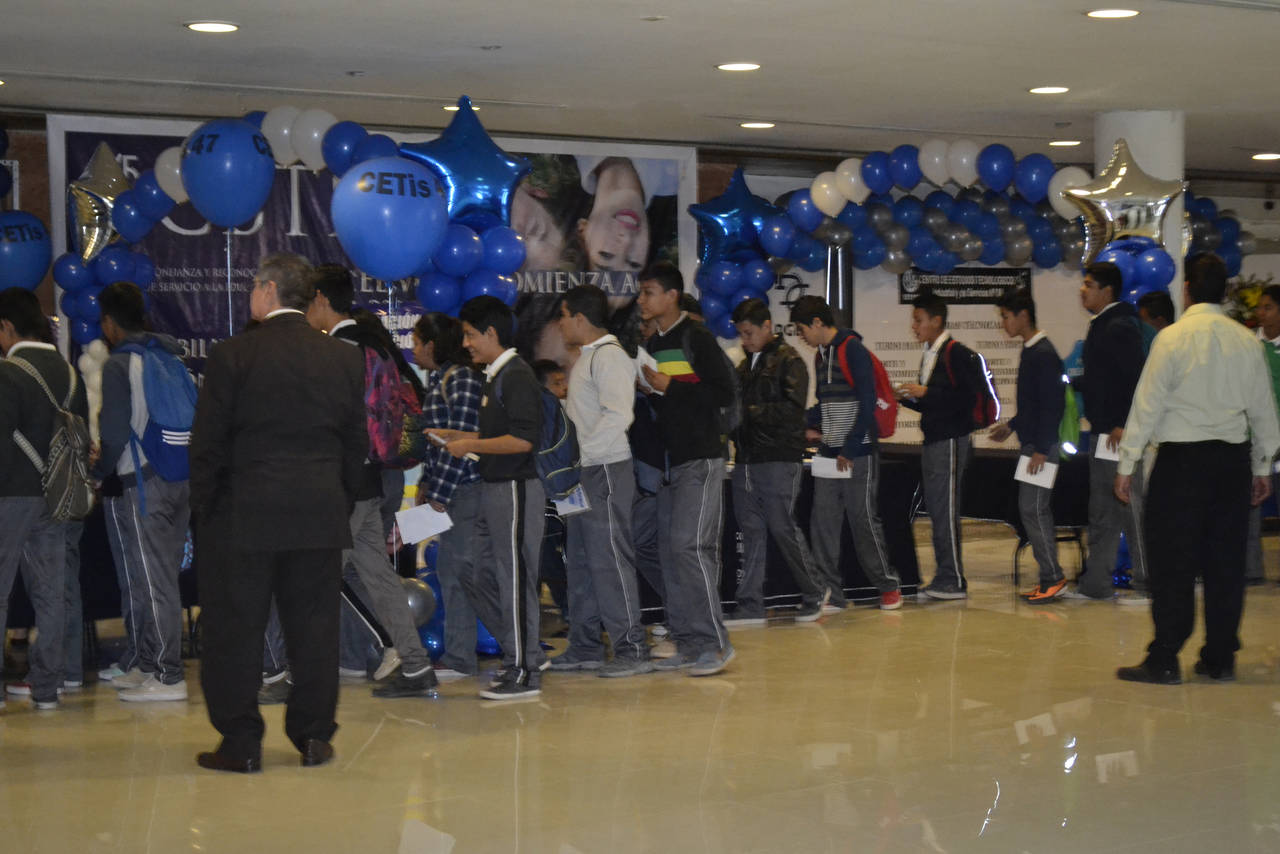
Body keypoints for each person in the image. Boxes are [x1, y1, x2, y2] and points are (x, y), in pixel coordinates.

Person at [190, 253, 367, 772]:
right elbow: (355, 443)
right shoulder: (341, 357)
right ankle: (313, 738)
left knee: (234, 632)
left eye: (253, 288)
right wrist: (339, 499)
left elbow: (208, 446)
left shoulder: (232, 355)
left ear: (267, 291)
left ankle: (241, 742)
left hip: (244, 515)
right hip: (318, 512)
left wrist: (207, 511)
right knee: (314, 630)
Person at [1114, 253, 1280, 684]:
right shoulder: (1247, 341)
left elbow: (1145, 404)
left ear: (1186, 288)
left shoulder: (1171, 339)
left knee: (1173, 563)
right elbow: (1264, 410)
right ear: (1224, 291)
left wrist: (1127, 462)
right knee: (1226, 563)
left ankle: (1166, 656)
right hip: (1231, 463)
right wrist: (1262, 467)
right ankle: (1220, 656)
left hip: (1180, 464)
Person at [304, 265, 438, 698]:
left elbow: (329, 425)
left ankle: (293, 674)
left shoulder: (335, 351)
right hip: (371, 480)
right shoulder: (374, 346)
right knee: (378, 578)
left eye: (308, 301)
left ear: (322, 299)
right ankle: (416, 666)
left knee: (312, 581)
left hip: (342, 487)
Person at [440, 296, 546, 700]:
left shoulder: (516, 375)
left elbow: (522, 440)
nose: (465, 343)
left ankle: (524, 671)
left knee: (515, 581)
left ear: (491, 333)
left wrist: (472, 443)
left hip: (516, 489)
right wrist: (463, 440)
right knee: (484, 571)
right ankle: (520, 655)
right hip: (495, 489)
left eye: (470, 335)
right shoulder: (495, 376)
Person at [91, 281, 192, 702]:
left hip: (143, 482)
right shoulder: (170, 357)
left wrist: (98, 470)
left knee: (153, 580)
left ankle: (169, 676)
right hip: (181, 475)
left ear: (110, 324)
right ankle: (149, 663)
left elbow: (113, 434)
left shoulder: (119, 365)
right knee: (160, 576)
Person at [636, 263, 736, 676]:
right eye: (641, 294)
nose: (642, 300)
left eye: (649, 292)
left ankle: (715, 644)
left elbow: (723, 391)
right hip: (669, 463)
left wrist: (668, 387)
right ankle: (688, 642)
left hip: (702, 456)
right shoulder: (653, 344)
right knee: (667, 551)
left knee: (689, 549)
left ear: (671, 296)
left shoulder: (696, 336)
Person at [550, 284, 651, 676]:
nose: (559, 324)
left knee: (609, 560)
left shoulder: (609, 357)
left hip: (604, 470)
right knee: (579, 561)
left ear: (579, 318)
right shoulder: (587, 358)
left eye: (562, 315)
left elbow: (618, 415)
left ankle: (632, 649)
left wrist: (583, 458)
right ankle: (586, 646)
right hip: (580, 475)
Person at [791, 295, 903, 613]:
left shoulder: (852, 349)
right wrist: (801, 422)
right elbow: (825, 406)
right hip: (829, 452)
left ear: (817, 323)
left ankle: (889, 586)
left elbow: (868, 402)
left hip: (858, 452)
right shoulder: (820, 357)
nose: (801, 336)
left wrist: (852, 448)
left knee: (862, 519)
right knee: (822, 521)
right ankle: (832, 593)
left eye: (801, 329)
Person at [0, 288, 82, 712]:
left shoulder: (7, 373)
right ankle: (47, 687)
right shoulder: (68, 372)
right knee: (52, 590)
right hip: (58, 493)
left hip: (10, 493)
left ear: (7, 327)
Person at [727, 298, 830, 623]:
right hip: (745, 458)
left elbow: (792, 411)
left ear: (766, 327)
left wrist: (750, 412)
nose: (745, 340)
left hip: (779, 457)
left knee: (782, 525)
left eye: (749, 333)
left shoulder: (789, 360)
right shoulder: (744, 366)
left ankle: (815, 590)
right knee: (751, 529)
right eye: (741, 334)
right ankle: (750, 603)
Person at [412, 313, 494, 681]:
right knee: (452, 570)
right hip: (451, 487)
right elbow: (436, 443)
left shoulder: (459, 377)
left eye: (416, 342)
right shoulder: (441, 378)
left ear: (431, 344)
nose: (413, 350)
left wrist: (439, 492)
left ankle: (469, 655)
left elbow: (460, 440)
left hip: (467, 488)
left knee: (462, 572)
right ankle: (460, 654)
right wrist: (427, 484)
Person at [1073, 262, 1149, 603]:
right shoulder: (1102, 325)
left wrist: (1122, 422)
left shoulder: (1121, 326)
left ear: (1107, 290)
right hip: (1102, 432)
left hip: (1120, 434)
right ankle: (1096, 583)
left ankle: (1149, 582)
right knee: (1102, 510)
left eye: (1089, 284)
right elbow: (1102, 379)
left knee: (1132, 509)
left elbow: (1134, 380)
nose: (1083, 290)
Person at [896, 292, 978, 599]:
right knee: (937, 510)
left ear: (936, 321)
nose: (914, 327)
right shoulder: (931, 353)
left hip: (951, 440)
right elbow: (935, 402)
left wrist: (926, 392)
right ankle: (945, 574)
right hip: (934, 440)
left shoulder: (954, 353)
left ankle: (953, 578)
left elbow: (963, 399)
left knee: (946, 509)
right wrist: (910, 398)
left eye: (919, 321)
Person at [989, 289, 1068, 603]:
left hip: (1040, 448)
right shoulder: (1031, 350)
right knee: (1032, 509)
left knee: (1033, 509)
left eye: (1006, 317)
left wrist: (1040, 448)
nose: (1004, 324)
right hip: (1033, 443)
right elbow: (1033, 407)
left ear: (1023, 316)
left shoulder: (1044, 354)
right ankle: (1050, 575)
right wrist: (1011, 426)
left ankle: (1053, 576)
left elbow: (1052, 406)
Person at [1245, 285, 1280, 585]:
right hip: (1253, 439)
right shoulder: (1249, 344)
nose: (1260, 313)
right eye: (1260, 307)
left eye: (1267, 307)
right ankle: (1252, 570)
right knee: (1251, 504)